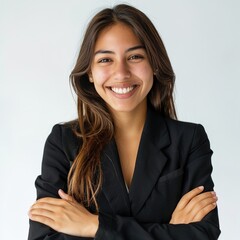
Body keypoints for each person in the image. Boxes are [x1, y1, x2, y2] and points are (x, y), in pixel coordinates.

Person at [28, 4, 220, 240]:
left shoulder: (189, 140)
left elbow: (203, 235)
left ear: (154, 65)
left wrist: (93, 226)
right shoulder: (63, 141)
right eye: (105, 60)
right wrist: (170, 231)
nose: (121, 73)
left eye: (135, 56)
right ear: (89, 72)